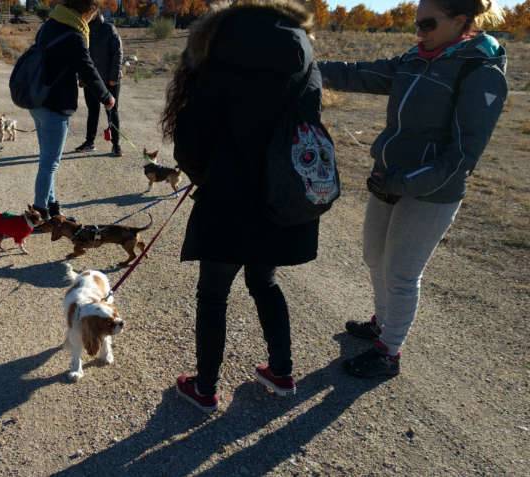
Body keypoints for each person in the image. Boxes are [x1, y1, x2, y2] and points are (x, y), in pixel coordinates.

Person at [319, 0, 507, 378]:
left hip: (432, 191)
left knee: (402, 272)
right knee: (375, 256)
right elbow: (362, 74)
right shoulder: (418, 56)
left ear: (460, 21)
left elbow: (462, 155)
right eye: (416, 24)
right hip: (389, 176)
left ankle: (389, 352)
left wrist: (405, 182)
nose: (418, 32)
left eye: (427, 24)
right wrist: (306, 68)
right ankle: (382, 323)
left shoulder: (480, 69)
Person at [162, 0, 322, 413]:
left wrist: (201, 175)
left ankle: (205, 387)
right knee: (263, 281)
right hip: (283, 198)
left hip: (228, 200)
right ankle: (282, 371)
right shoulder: (303, 55)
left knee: (213, 294)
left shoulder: (220, 53)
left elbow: (191, 140)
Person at [30, 0, 116, 221]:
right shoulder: (74, 34)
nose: (92, 18)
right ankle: (40, 215)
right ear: (86, 10)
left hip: (38, 99)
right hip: (55, 104)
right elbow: (88, 68)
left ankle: (52, 207)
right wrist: (106, 97)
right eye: (93, 14)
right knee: (50, 163)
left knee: (47, 160)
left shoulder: (49, 25)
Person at [74, 11, 124, 157]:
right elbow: (82, 56)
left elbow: (118, 52)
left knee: (112, 112)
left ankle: (116, 145)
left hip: (110, 80)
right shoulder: (83, 30)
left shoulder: (108, 29)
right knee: (92, 111)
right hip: (91, 79)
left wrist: (113, 77)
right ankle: (90, 142)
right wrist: (82, 77)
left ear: (95, 13)